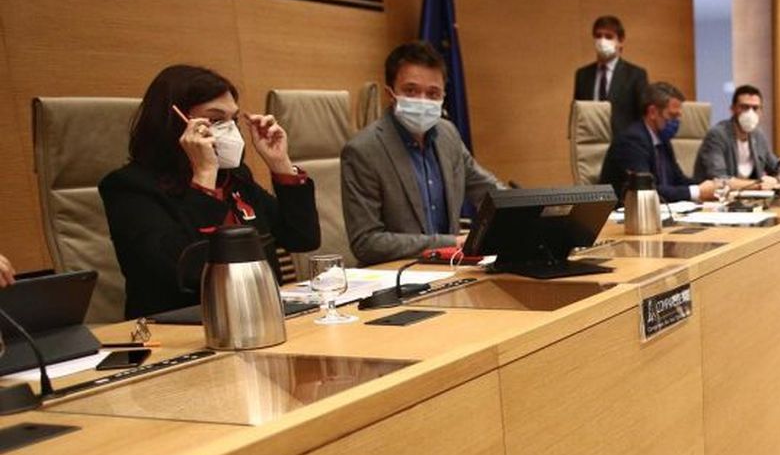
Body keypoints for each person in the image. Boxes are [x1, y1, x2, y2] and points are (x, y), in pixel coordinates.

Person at [100, 64, 320, 319]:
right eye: (215, 120)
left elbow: (302, 239)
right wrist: (204, 177)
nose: (230, 130)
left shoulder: (235, 178)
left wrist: (280, 163)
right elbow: (184, 273)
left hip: (258, 316)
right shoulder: (129, 187)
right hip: (180, 326)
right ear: (175, 124)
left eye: (233, 120)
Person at [341, 41, 504, 265]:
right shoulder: (363, 150)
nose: (422, 101)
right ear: (390, 94)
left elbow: (488, 192)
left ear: (443, 97)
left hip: (451, 269)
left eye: (433, 93)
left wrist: (527, 212)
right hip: (397, 273)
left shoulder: (448, 135)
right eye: (411, 91)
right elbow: (366, 243)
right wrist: (450, 242)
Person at [599, 82, 716, 204]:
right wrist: (696, 191)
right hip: (623, 212)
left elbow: (678, 179)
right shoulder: (632, 141)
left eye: (678, 117)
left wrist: (710, 187)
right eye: (672, 115)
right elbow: (645, 189)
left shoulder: (662, 141)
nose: (676, 122)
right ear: (652, 112)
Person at [573, 15, 649, 139]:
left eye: (608, 37)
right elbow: (577, 114)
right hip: (590, 142)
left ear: (621, 41)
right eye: (598, 36)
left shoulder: (636, 75)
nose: (602, 41)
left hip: (624, 143)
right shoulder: (582, 75)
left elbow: (643, 117)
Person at [692, 84, 779, 189]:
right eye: (745, 107)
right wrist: (758, 184)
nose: (750, 113)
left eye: (755, 108)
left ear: (761, 111)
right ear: (733, 109)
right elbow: (719, 179)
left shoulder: (758, 135)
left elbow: (776, 168)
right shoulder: (717, 135)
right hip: (716, 197)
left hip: (749, 196)